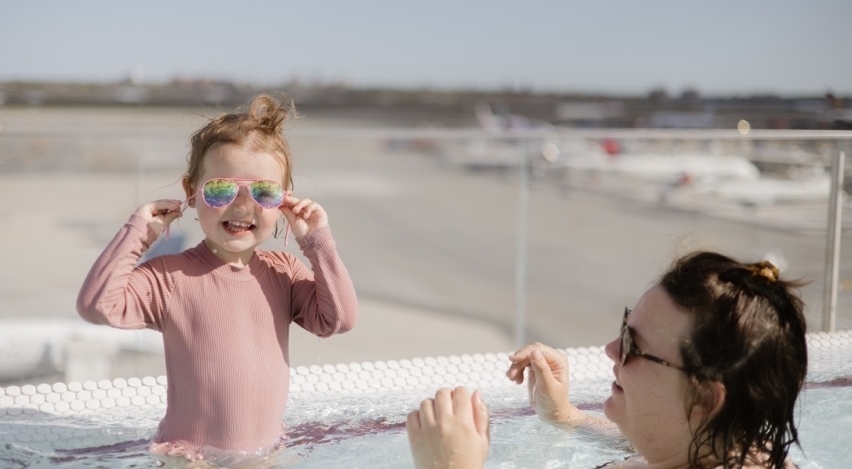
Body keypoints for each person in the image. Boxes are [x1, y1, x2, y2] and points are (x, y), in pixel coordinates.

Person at [76, 93, 359, 464]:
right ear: (191, 193)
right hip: (190, 459)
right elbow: (98, 305)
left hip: (264, 455)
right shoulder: (170, 277)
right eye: (222, 189)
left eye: (264, 192)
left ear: (284, 203)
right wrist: (140, 231)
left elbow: (337, 320)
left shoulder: (283, 272)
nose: (242, 205)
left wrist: (316, 241)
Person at [407, 251, 807, 469]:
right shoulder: (740, 448)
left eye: (635, 345)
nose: (611, 349)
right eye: (625, 326)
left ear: (703, 400)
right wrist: (565, 415)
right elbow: (672, 438)